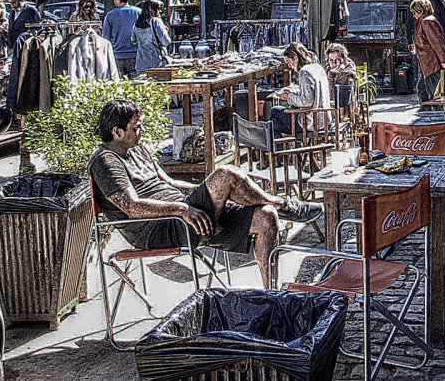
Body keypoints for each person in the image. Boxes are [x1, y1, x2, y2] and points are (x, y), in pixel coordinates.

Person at [88, 99, 322, 289]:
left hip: (186, 215)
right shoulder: (106, 161)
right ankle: (283, 203)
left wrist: (212, 195)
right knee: (225, 174)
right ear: (117, 131)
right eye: (136, 127)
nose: (141, 131)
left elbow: (170, 182)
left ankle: (271, 292)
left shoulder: (137, 149)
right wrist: (183, 209)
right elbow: (132, 207)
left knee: (266, 216)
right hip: (159, 228)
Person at [265, 42, 331, 137]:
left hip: (312, 121)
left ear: (295, 58)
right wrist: (295, 92)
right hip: (324, 118)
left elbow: (307, 101)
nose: (289, 65)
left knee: (274, 111)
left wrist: (288, 97)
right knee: (274, 123)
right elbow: (313, 93)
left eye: (288, 61)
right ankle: (286, 148)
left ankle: (279, 149)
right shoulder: (317, 67)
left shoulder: (304, 72)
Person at [410, 0, 445, 104]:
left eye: (414, 12)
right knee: (424, 91)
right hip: (428, 64)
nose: (414, 16)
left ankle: (433, 117)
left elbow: (437, 43)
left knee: (432, 95)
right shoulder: (425, 21)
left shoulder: (426, 22)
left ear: (420, 10)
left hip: (432, 64)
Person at [102, 0, 142, 78]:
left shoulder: (110, 15)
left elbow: (106, 38)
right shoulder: (139, 12)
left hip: (117, 55)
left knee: (119, 87)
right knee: (137, 86)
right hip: (136, 55)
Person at [131, 0, 172, 74]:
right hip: (156, 63)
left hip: (140, 64)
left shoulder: (136, 24)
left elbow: (133, 41)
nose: (159, 11)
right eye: (158, 9)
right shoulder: (156, 21)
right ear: (150, 9)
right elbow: (166, 42)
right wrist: (165, 31)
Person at [324, 42, 358, 112]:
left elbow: (333, 96)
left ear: (344, 59)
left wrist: (331, 75)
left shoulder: (348, 72)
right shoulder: (326, 69)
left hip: (344, 108)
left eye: (337, 59)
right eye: (331, 60)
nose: (334, 63)